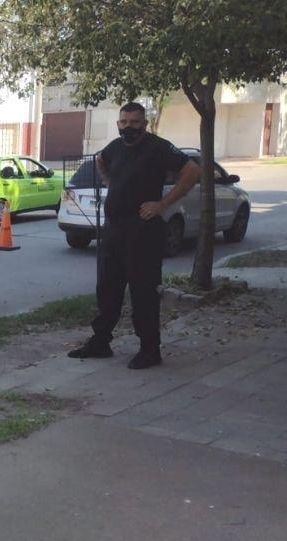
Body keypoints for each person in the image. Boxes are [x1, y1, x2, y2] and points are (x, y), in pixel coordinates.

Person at [68, 102, 202, 369]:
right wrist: (110, 183)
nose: (128, 127)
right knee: (107, 288)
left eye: (134, 122)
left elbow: (192, 171)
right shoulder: (115, 148)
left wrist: (163, 204)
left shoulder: (159, 147)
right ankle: (101, 342)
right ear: (119, 124)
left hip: (144, 231)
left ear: (144, 123)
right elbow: (100, 161)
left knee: (143, 292)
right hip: (114, 230)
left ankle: (150, 349)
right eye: (124, 122)